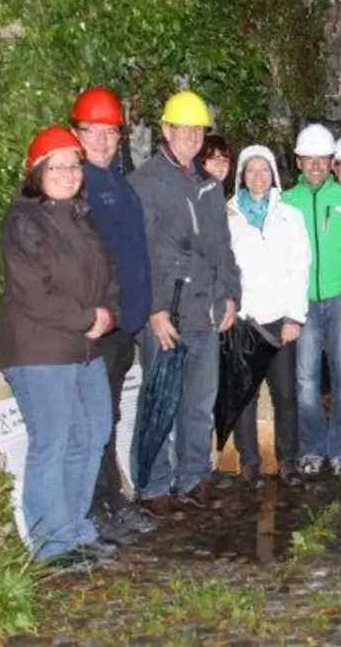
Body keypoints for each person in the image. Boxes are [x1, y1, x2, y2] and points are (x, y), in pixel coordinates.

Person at [0, 125, 121, 565]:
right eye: (58, 166)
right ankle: (52, 544)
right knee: (53, 440)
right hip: (39, 348)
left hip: (82, 347)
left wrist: (107, 312)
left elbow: (107, 276)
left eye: (74, 165)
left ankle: (75, 529)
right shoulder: (23, 222)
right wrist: (88, 318)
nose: (68, 173)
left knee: (93, 434)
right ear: (37, 172)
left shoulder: (81, 219)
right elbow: (33, 291)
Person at [128, 91, 240, 516]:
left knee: (198, 402)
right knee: (160, 400)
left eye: (199, 129)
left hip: (205, 312)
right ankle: (153, 485)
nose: (193, 136)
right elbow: (138, 254)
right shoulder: (147, 182)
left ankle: (193, 475)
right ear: (166, 130)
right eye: (185, 128)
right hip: (168, 315)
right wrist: (153, 310)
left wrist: (230, 294)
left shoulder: (209, 185)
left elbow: (222, 248)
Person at [70, 87, 160, 544]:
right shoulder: (77, 183)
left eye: (110, 133)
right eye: (93, 132)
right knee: (94, 421)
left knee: (108, 417)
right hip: (100, 327)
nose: (103, 141)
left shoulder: (118, 183)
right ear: (76, 133)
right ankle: (95, 506)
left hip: (124, 325)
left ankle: (110, 499)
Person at [224, 145, 310, 489]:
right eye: (250, 170)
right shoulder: (227, 215)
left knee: (285, 393)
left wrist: (295, 317)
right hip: (244, 320)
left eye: (264, 170)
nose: (257, 177)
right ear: (241, 176)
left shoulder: (290, 215)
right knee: (245, 395)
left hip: (280, 319)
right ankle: (249, 461)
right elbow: (222, 267)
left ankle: (289, 459)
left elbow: (299, 267)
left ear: (273, 174)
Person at [283, 124, 341, 481]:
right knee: (306, 381)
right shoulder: (285, 202)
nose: (315, 165)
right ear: (298, 162)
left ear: (332, 162)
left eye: (322, 158)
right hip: (303, 306)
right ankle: (313, 449)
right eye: (308, 158)